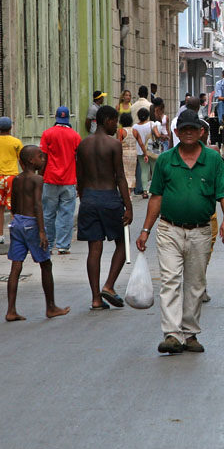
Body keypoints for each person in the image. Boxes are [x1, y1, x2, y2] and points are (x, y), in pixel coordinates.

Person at [136, 110, 224, 354]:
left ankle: (189, 333)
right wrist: (146, 230)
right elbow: (156, 196)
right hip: (169, 229)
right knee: (169, 280)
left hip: (201, 231)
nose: (189, 133)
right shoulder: (166, 160)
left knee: (195, 283)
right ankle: (172, 334)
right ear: (177, 133)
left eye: (194, 129)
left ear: (201, 132)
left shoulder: (213, 160)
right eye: (184, 129)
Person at [4, 145, 70, 322]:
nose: (44, 159)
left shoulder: (17, 179)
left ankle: (11, 310)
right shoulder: (37, 180)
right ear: (31, 160)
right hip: (32, 223)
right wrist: (42, 231)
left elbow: (14, 203)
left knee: (16, 266)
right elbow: (38, 206)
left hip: (17, 221)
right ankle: (51, 307)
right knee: (46, 264)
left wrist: (18, 220)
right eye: (40, 157)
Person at [77, 106, 133, 311]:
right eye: (114, 121)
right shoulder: (113, 144)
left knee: (94, 248)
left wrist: (85, 199)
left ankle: (95, 299)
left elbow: (80, 178)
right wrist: (128, 206)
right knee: (122, 243)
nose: (116, 125)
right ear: (107, 120)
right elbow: (120, 177)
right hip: (109, 197)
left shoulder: (83, 144)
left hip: (89, 198)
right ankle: (108, 285)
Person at [40, 107, 82, 255]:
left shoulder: (47, 134)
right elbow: (79, 160)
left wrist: (41, 176)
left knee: (48, 214)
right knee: (66, 214)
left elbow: (43, 158)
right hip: (69, 181)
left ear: (56, 117)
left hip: (50, 179)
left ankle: (48, 244)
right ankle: (63, 245)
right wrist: (78, 181)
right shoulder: (75, 136)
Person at [0, 116, 24, 244]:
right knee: (14, 207)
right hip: (12, 177)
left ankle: (0, 235)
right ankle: (14, 234)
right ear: (11, 127)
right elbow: (21, 159)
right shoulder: (16, 142)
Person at [133, 108, 154, 199]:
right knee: (154, 170)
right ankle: (154, 190)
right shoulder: (151, 124)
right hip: (151, 150)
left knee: (144, 171)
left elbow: (136, 139)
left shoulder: (135, 127)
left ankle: (145, 191)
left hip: (140, 151)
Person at [117, 112, 138, 192]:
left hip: (124, 154)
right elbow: (141, 143)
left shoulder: (121, 131)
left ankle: (126, 192)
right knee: (132, 174)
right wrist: (145, 154)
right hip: (133, 154)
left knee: (124, 173)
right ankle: (129, 191)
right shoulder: (135, 131)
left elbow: (118, 143)